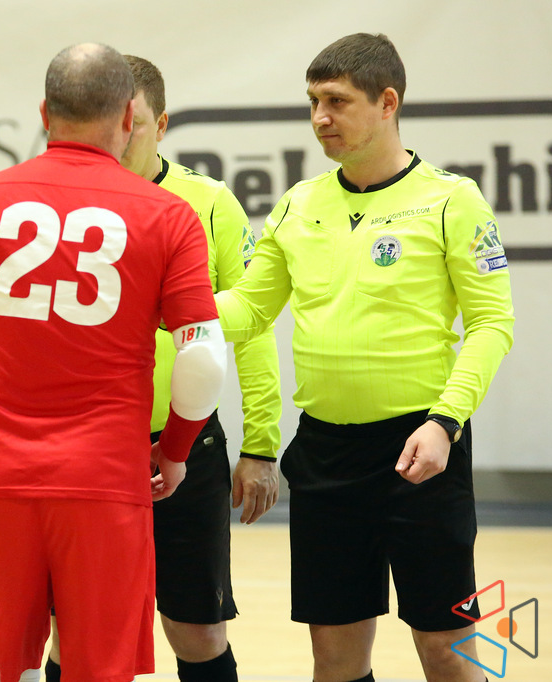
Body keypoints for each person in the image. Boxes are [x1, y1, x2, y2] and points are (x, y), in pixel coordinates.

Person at [0, 43, 226, 682]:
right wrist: (175, 452)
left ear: (45, 113)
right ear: (130, 116)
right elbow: (203, 357)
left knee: (2, 665)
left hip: (0, 478)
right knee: (98, 667)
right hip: (107, 481)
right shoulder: (168, 215)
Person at [215, 33, 514, 682]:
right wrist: (162, 308)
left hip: (421, 450)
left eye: (337, 101)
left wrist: (446, 422)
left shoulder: (452, 200)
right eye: (313, 102)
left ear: (387, 102)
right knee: (335, 655)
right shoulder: (298, 204)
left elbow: (492, 324)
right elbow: (248, 310)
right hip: (325, 456)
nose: (320, 117)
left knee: (445, 648)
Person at [39, 54, 282, 682]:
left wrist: (260, 444)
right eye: (108, 121)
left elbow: (252, 326)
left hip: (187, 446)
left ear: (162, 124)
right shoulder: (57, 206)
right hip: (86, 447)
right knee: (76, 629)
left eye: (134, 123)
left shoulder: (209, 204)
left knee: (197, 630)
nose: (118, 136)